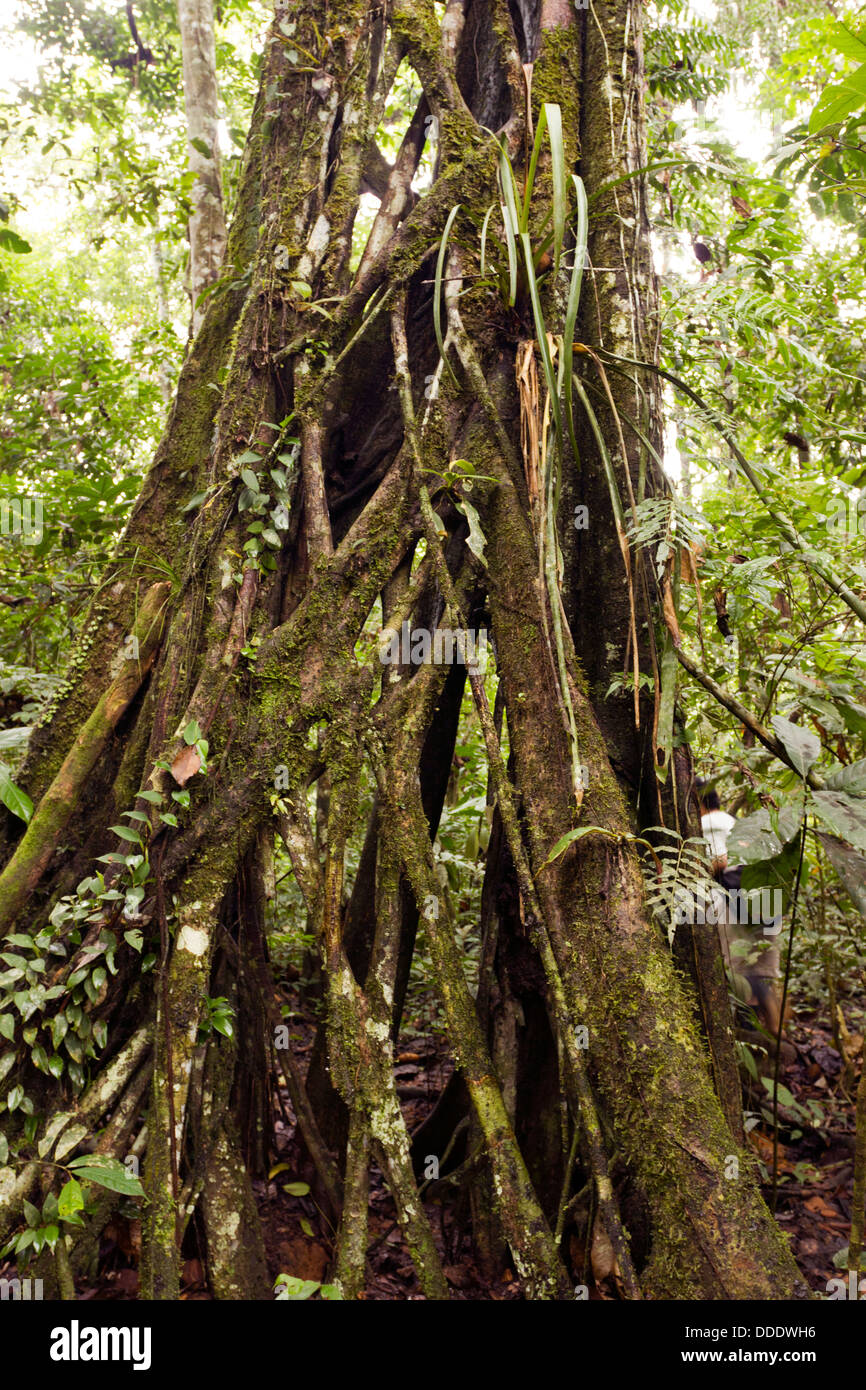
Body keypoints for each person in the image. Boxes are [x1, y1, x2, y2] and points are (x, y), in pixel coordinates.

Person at [695, 781, 787, 1046]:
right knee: (759, 968)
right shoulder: (735, 821)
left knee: (742, 971)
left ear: (698, 803)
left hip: (739, 905)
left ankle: (764, 1032)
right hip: (766, 903)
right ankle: (775, 1025)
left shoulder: (709, 824)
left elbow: (721, 862)